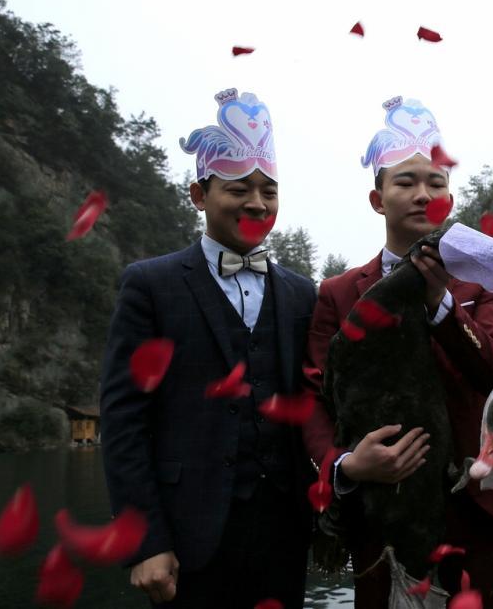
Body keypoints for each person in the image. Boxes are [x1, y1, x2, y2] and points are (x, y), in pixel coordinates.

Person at [100, 89, 317, 608]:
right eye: (239, 189)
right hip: (186, 535)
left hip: (286, 534)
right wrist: (146, 541)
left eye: (269, 190)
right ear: (199, 195)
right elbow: (124, 417)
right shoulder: (151, 285)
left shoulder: (302, 292)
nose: (257, 203)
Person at [302, 96, 493, 608]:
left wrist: (440, 302)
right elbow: (315, 396)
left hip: (476, 510)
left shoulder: (480, 280)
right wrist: (347, 466)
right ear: (377, 200)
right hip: (381, 507)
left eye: (437, 184)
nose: (423, 195)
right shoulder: (338, 293)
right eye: (405, 182)